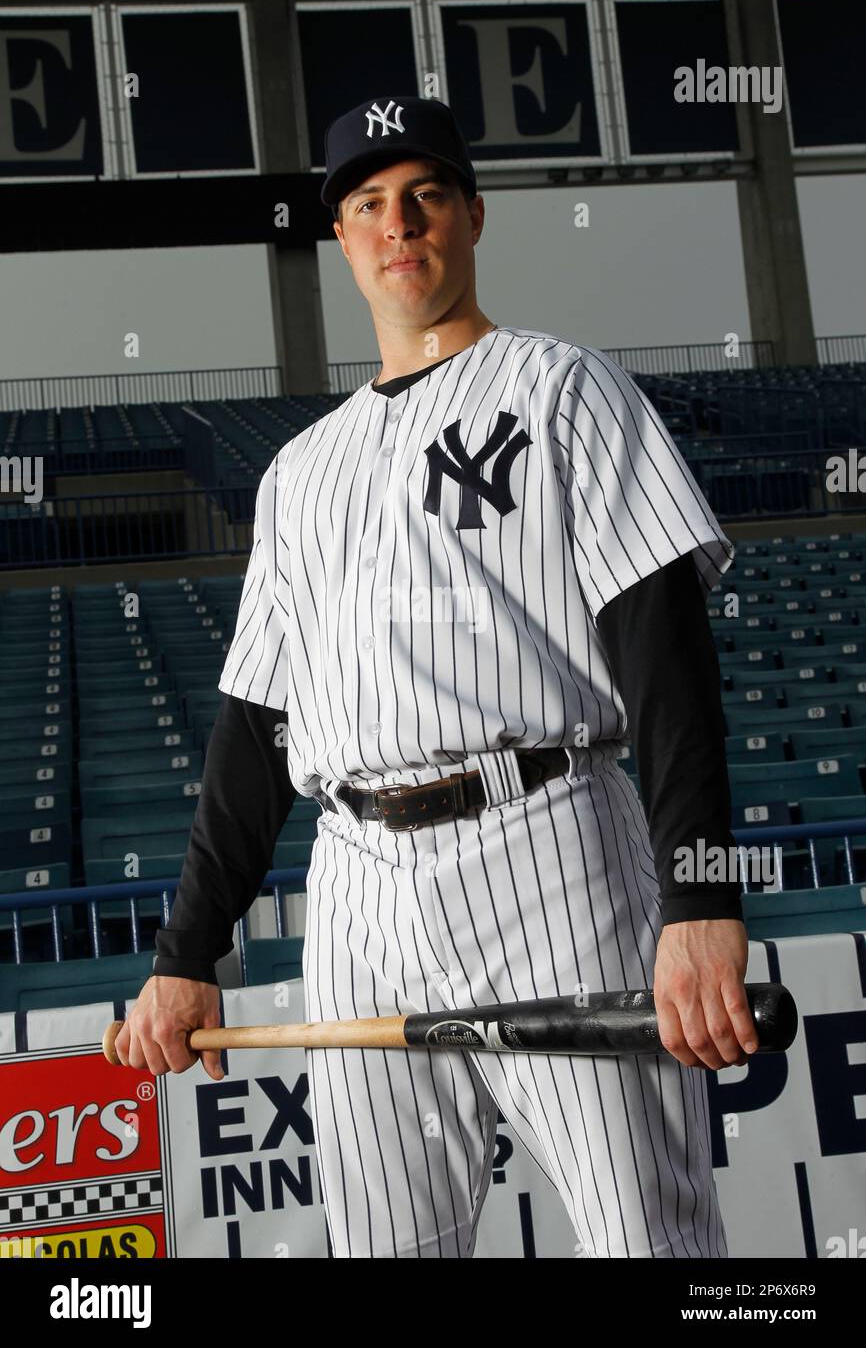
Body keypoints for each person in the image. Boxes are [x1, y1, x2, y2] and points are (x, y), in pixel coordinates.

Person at [115, 94, 756, 1258]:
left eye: (423, 196)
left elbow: (663, 655)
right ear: (343, 238)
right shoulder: (297, 475)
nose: (395, 222)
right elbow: (257, 727)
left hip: (548, 843)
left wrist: (699, 892)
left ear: (470, 215)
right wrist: (184, 956)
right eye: (366, 203)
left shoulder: (563, 387)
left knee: (646, 1239)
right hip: (356, 879)